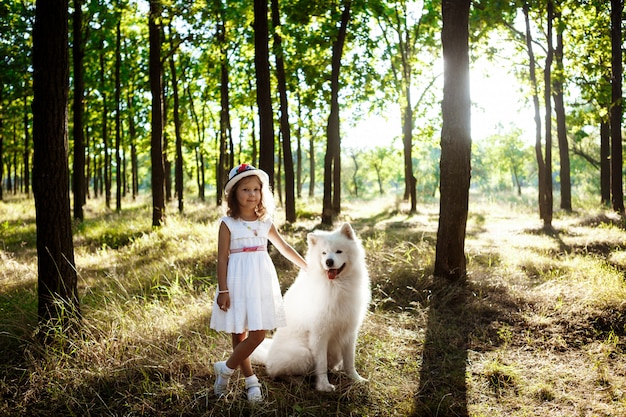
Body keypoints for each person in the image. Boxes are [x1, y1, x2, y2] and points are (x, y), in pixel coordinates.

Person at [210, 163, 307, 402]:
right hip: (237, 281)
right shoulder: (227, 223)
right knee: (239, 331)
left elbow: (284, 247)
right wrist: (223, 290)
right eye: (245, 189)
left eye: (256, 189)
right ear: (234, 194)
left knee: (258, 334)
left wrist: (308, 266)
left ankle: (225, 369)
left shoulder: (265, 221)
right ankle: (250, 380)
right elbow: (222, 258)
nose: (252, 194)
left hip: (261, 279)